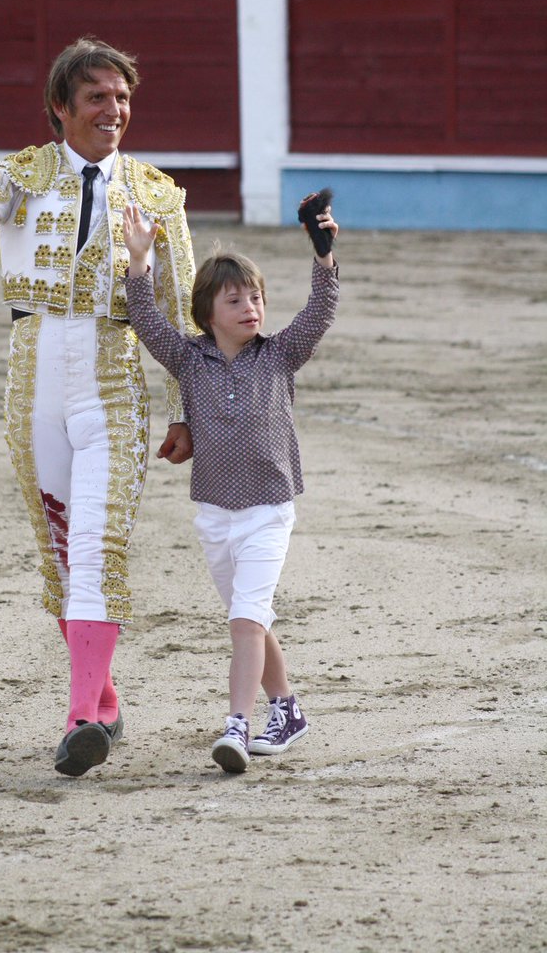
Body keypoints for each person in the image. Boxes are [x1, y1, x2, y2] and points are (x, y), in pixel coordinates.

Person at [0, 37, 196, 779]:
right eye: (98, 97)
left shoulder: (156, 193)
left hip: (112, 377)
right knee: (62, 551)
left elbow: (176, 309)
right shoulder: (15, 174)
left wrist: (187, 408)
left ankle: (80, 720)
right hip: (32, 377)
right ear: (59, 110)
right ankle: (103, 699)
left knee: (99, 547)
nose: (114, 110)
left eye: (122, 97)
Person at [122, 196, 339, 773]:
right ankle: (287, 708)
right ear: (207, 313)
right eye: (235, 299)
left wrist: (323, 258)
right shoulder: (189, 360)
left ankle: (237, 725)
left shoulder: (280, 355)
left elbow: (319, 312)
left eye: (257, 297)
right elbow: (144, 321)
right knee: (253, 617)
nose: (251, 307)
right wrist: (139, 261)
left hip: (270, 510)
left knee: (245, 618)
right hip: (215, 515)